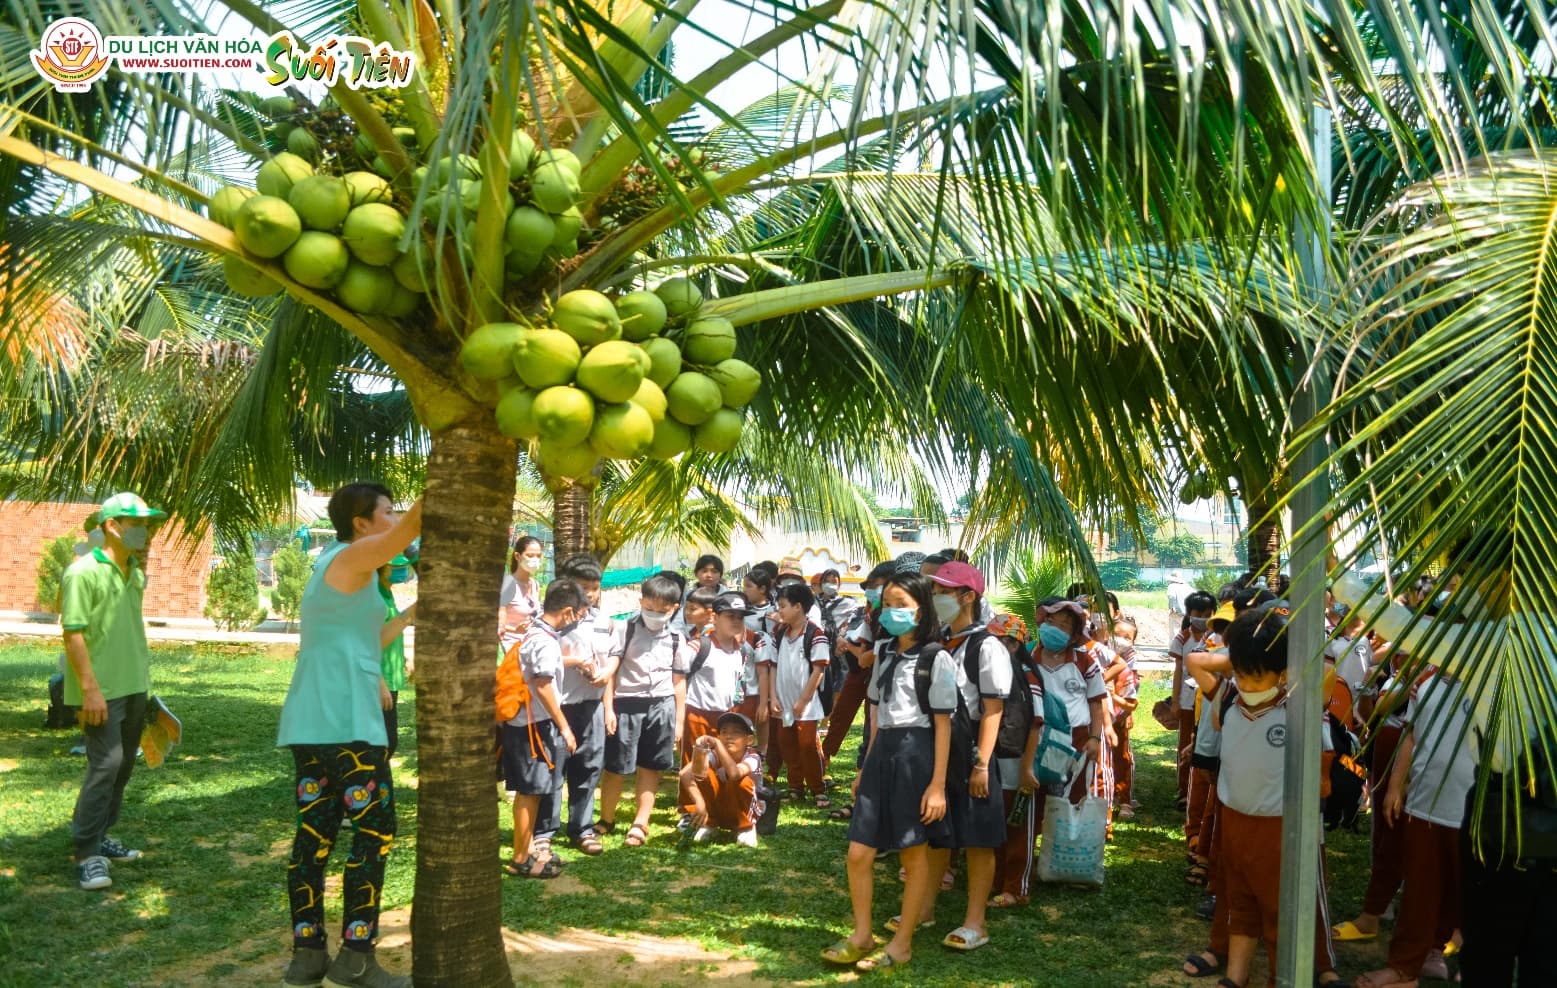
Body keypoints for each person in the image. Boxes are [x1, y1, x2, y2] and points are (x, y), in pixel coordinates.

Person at [277, 483, 421, 988]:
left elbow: (362, 636)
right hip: (346, 725)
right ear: (361, 522)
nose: (394, 518)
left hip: (313, 723)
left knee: (314, 839)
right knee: (375, 831)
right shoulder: (357, 555)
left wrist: (407, 616)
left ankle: (308, 955)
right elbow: (406, 532)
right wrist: (437, 491)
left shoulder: (335, 566)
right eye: (386, 510)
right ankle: (356, 957)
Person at [821, 572, 956, 973]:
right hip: (883, 755)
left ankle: (901, 944)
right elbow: (877, 715)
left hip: (919, 757)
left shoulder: (937, 658)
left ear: (921, 610)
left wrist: (937, 785)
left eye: (903, 605)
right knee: (858, 851)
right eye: (889, 604)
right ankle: (862, 934)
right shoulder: (884, 653)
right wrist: (866, 766)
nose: (894, 612)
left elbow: (944, 725)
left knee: (913, 856)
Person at [1205, 601, 1342, 988]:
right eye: (1240, 675)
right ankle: (1236, 975)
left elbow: (1327, 672)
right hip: (1236, 819)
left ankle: (1287, 977)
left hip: (1283, 825)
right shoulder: (1230, 701)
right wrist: (1238, 660)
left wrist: (1287, 659)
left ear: (1283, 674)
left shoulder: (1300, 706)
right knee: (1241, 903)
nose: (1245, 685)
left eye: (1255, 677)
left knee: (1284, 909)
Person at [62, 492, 167, 893]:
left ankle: (101, 833)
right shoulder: (82, 572)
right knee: (106, 764)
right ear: (112, 526)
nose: (145, 530)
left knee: (123, 766)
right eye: (136, 522)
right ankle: (87, 853)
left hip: (134, 685)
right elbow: (73, 634)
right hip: (100, 690)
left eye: (148, 524)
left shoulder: (134, 573)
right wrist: (89, 690)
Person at [1355, 664, 1476, 988]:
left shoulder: (1496, 680)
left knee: (1472, 891)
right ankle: (1406, 966)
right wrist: (1396, 785)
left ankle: (1464, 959)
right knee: (1420, 888)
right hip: (1425, 804)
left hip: (1476, 810)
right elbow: (1411, 734)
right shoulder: (1425, 682)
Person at [923, 561, 1009, 953]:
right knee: (937, 833)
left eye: (944, 591)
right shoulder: (939, 641)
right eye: (936, 591)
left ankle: (976, 921)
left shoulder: (986, 646)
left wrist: (981, 766)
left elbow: (993, 710)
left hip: (973, 751)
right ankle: (924, 908)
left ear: (967, 596)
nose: (937, 598)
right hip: (941, 749)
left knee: (978, 839)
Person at [597, 573, 692, 847]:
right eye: (649, 608)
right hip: (625, 704)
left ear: (674, 608)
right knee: (615, 766)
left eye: (662, 611)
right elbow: (611, 674)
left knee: (651, 767)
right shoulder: (623, 630)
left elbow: (679, 681)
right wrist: (609, 708)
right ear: (641, 601)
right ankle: (606, 819)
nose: (655, 615)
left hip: (661, 706)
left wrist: (679, 721)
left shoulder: (677, 638)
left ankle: (641, 823)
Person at [501, 579, 584, 879]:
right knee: (530, 793)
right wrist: (565, 727)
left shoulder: (534, 632)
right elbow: (544, 684)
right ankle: (521, 858)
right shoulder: (545, 641)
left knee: (533, 791)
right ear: (567, 612)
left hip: (525, 724)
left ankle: (528, 850)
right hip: (532, 727)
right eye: (579, 614)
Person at [534, 554, 615, 857]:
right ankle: (544, 831)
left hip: (591, 705)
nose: (590, 595)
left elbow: (612, 661)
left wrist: (607, 687)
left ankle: (582, 828)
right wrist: (575, 663)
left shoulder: (605, 623)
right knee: (553, 770)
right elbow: (538, 658)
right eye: (584, 587)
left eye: (594, 588)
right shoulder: (553, 621)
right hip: (558, 706)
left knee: (589, 769)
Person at [823, 560, 894, 820]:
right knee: (867, 738)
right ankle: (861, 800)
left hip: (885, 686)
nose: (871, 594)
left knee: (877, 743)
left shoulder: (898, 616)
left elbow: (867, 655)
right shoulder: (871, 612)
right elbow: (866, 651)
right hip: (872, 682)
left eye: (875, 587)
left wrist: (850, 647)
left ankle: (869, 805)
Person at [759, 581, 832, 809]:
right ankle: (795, 787)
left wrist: (803, 701)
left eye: (783, 606)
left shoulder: (815, 634)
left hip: (806, 704)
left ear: (798, 607)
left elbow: (818, 670)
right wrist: (773, 697)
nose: (779, 611)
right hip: (783, 701)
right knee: (786, 744)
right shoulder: (780, 633)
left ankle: (818, 789)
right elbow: (772, 666)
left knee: (808, 745)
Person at [987, 613, 1039, 909]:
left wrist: (1027, 766)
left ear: (1013, 645)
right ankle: (995, 879)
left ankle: (1016, 886)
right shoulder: (990, 674)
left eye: (997, 642)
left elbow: (1035, 724)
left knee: (1018, 824)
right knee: (996, 820)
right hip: (993, 758)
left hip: (1017, 761)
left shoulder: (1028, 678)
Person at [680, 591, 748, 761]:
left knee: (721, 766)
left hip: (726, 719)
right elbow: (678, 679)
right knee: (695, 768)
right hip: (697, 716)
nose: (736, 621)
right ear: (714, 617)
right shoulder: (698, 646)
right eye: (730, 616)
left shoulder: (741, 650)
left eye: (740, 617)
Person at [680, 711, 763, 846]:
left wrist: (717, 745)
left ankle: (746, 827)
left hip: (746, 809)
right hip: (722, 807)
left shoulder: (753, 757)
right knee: (702, 773)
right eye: (724, 732)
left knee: (741, 781)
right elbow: (685, 774)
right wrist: (699, 803)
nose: (729, 736)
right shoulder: (714, 754)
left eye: (736, 732)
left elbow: (735, 774)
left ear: (749, 740)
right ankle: (710, 824)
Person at [1170, 591, 1218, 806]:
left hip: (1208, 701)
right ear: (1189, 613)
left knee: (1203, 743)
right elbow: (1178, 671)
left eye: (1207, 613)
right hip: (1188, 700)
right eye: (1198, 613)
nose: (1202, 617)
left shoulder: (1215, 637)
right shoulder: (1183, 638)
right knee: (1185, 744)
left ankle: (1202, 790)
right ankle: (1183, 790)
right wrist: (1175, 700)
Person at [375, 564, 416, 757]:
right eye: (396, 566)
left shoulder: (386, 594)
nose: (403, 570)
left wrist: (403, 658)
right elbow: (366, 643)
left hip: (390, 678)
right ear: (381, 567)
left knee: (387, 742)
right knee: (384, 743)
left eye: (404, 566)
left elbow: (387, 633)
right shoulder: (374, 597)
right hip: (378, 680)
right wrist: (379, 682)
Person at [1106, 616, 1140, 818]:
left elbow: (1132, 696)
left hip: (1118, 716)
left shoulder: (1128, 666)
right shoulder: (1099, 656)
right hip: (1099, 718)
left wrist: (1125, 711)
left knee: (1121, 757)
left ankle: (1125, 800)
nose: (1121, 640)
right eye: (1117, 635)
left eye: (1127, 637)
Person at [500, 535, 544, 648]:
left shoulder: (534, 585)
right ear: (517, 556)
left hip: (528, 647)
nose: (535, 559)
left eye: (538, 556)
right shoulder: (508, 583)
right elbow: (496, 622)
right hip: (509, 648)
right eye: (530, 555)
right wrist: (514, 630)